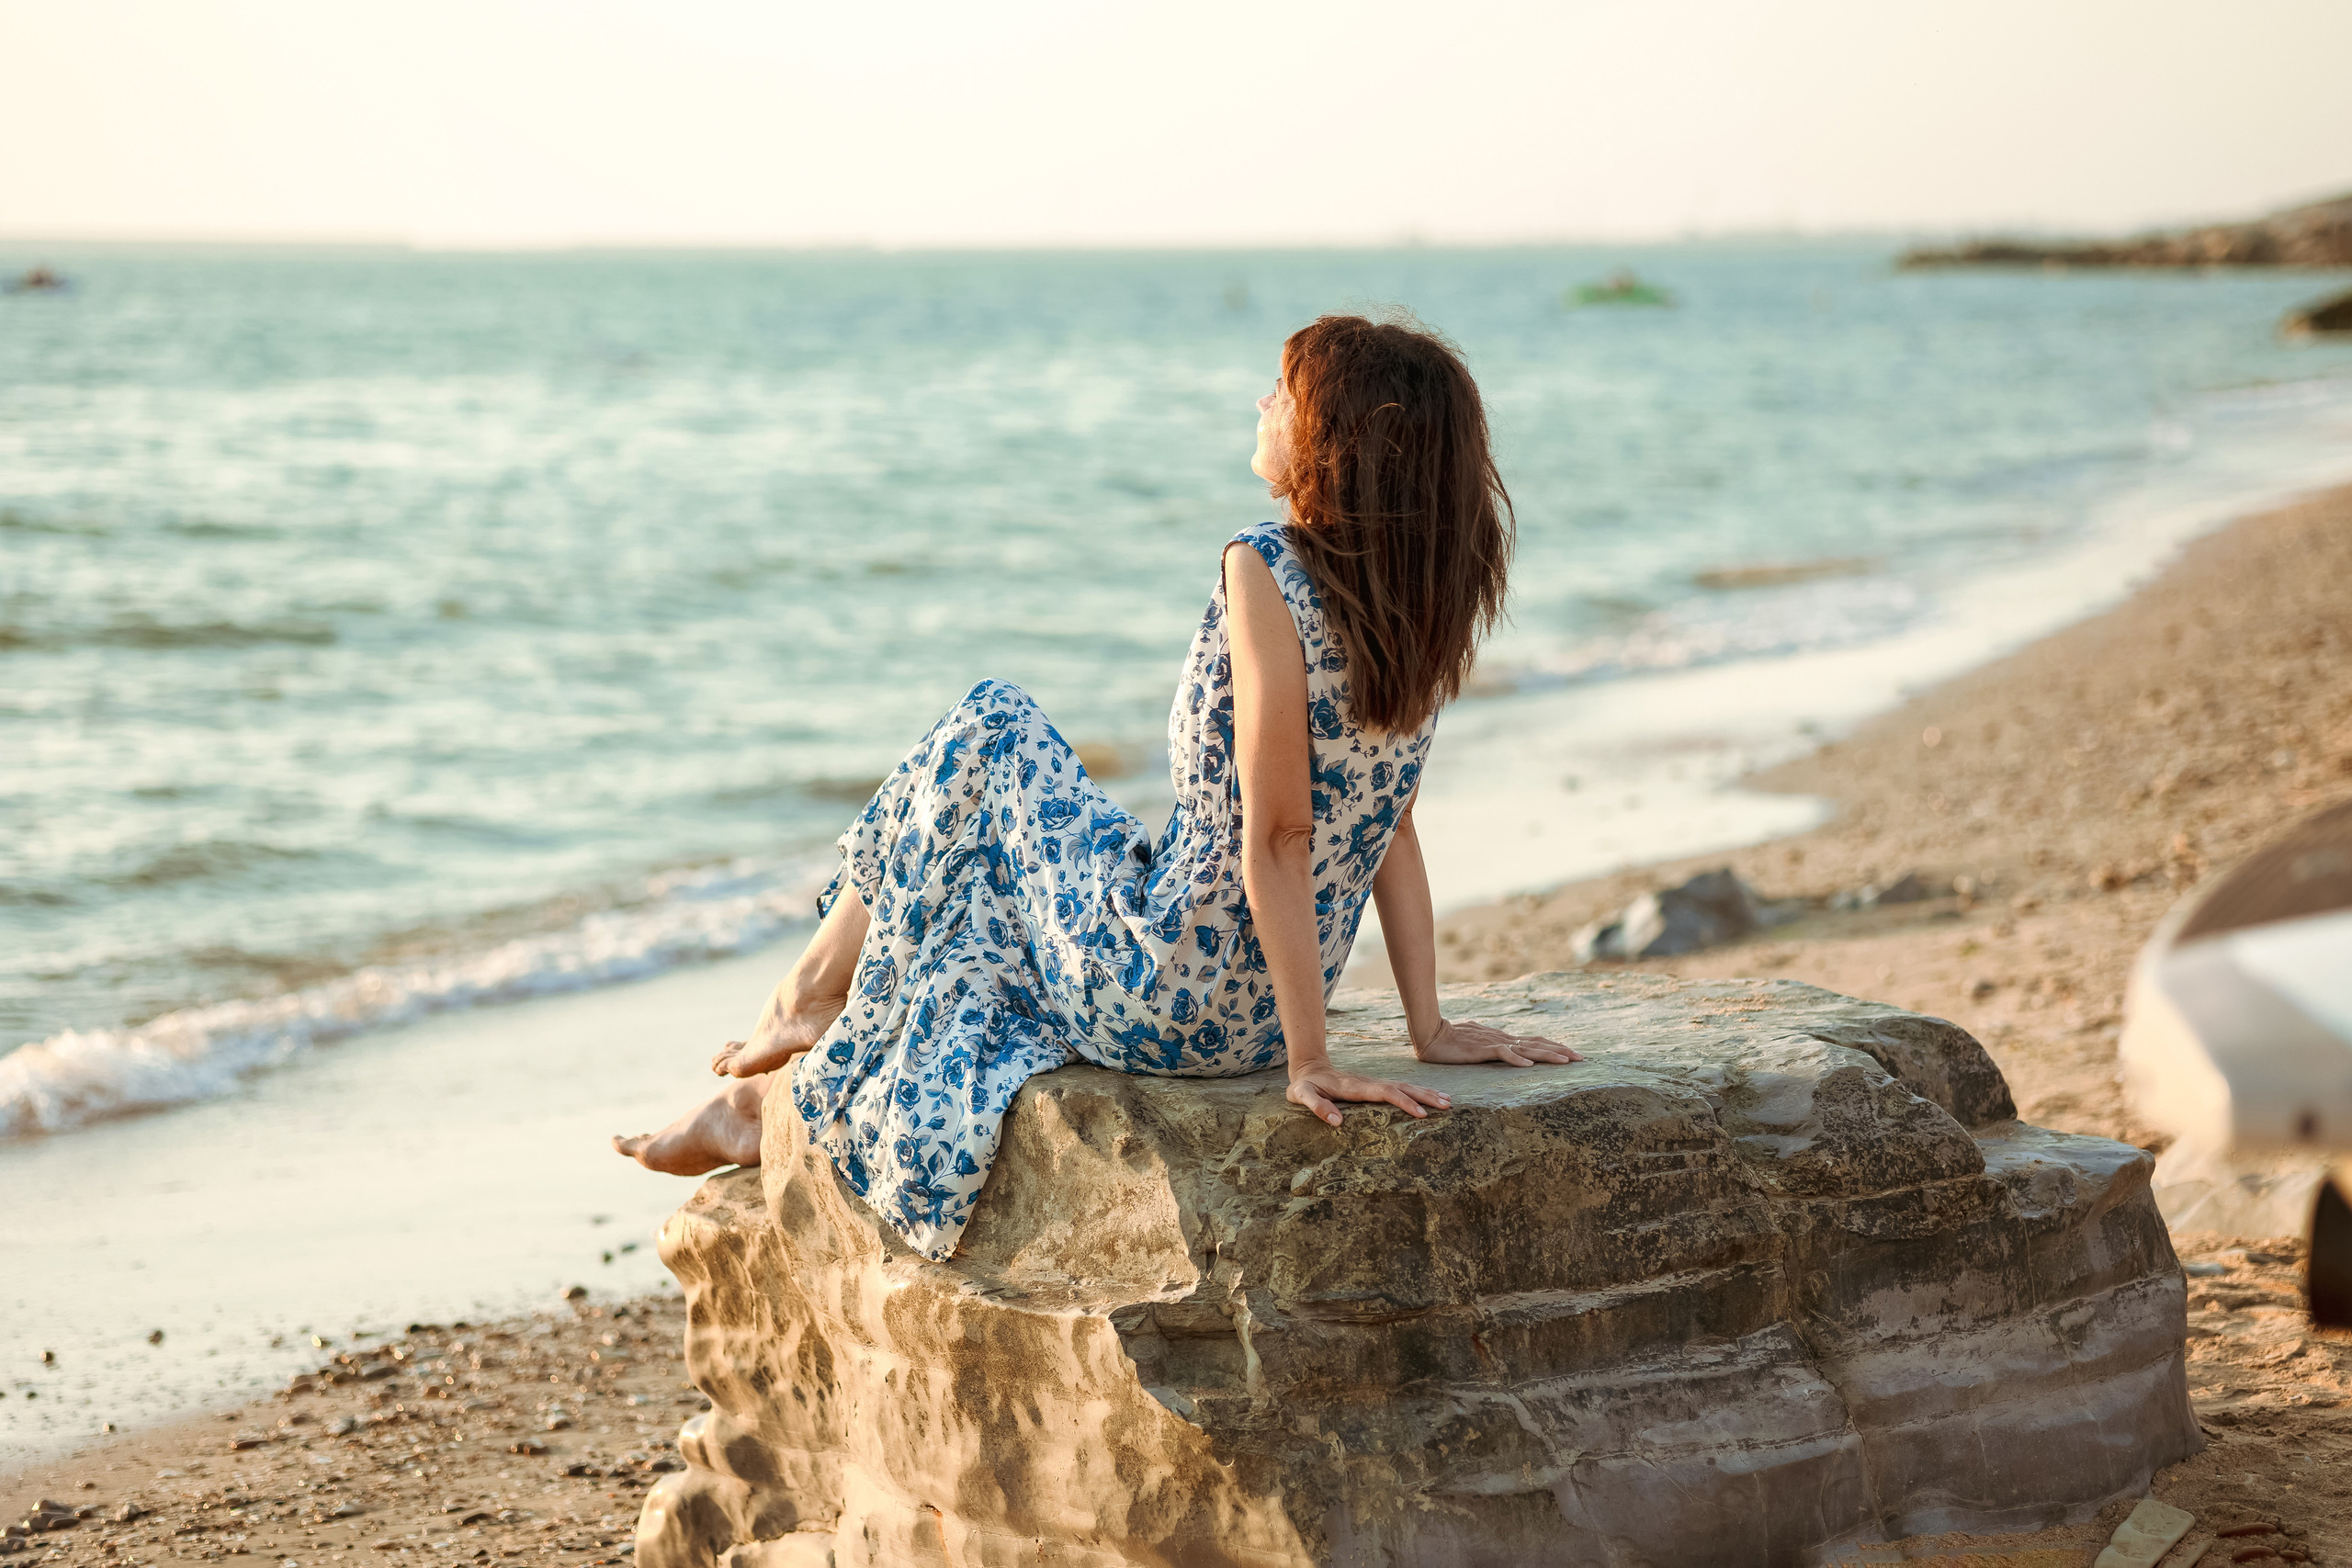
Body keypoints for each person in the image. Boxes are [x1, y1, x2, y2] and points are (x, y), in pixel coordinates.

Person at [614, 313, 1579, 1261]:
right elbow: (1390, 829)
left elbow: (1279, 836)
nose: (1261, 403)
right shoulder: (1417, 601)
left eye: (1282, 393)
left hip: (1166, 983)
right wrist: (1424, 1026)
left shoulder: (1266, 566)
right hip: (1257, 1009)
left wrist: (1313, 1063)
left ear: (1336, 438)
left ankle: (800, 1008)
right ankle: (767, 1084)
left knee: (992, 722)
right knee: (981, 891)